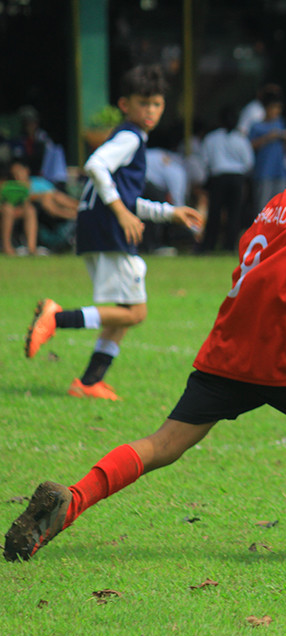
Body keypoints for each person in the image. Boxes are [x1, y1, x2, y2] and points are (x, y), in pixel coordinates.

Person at [3, 102, 286, 564]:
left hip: (227, 350)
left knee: (163, 444)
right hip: (283, 357)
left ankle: (72, 499)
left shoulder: (277, 204)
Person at [22, 65, 203, 400]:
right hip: (108, 228)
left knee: (123, 311)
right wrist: (121, 212)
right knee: (135, 312)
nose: (150, 111)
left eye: (157, 104)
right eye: (143, 103)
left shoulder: (131, 137)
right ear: (124, 104)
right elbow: (96, 165)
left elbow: (128, 199)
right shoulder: (130, 137)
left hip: (99, 227)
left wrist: (169, 212)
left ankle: (90, 381)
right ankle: (57, 318)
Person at [199, 105, 254, 252]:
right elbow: (249, 162)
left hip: (218, 177)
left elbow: (205, 160)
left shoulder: (211, 138)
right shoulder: (241, 139)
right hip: (237, 178)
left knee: (215, 212)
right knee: (234, 213)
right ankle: (230, 245)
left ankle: (209, 244)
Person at [248, 89, 286, 214]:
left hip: (280, 172)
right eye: (274, 108)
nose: (276, 111)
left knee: (281, 208)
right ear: (266, 108)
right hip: (264, 172)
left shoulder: (280, 123)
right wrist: (268, 137)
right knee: (263, 209)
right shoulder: (257, 126)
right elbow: (250, 146)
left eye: (278, 108)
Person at [1, 160, 40, 256]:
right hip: (5, 210)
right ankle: (7, 247)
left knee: (30, 210)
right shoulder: (4, 184)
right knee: (8, 209)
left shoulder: (25, 186)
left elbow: (25, 202)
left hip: (15, 210)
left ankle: (31, 248)